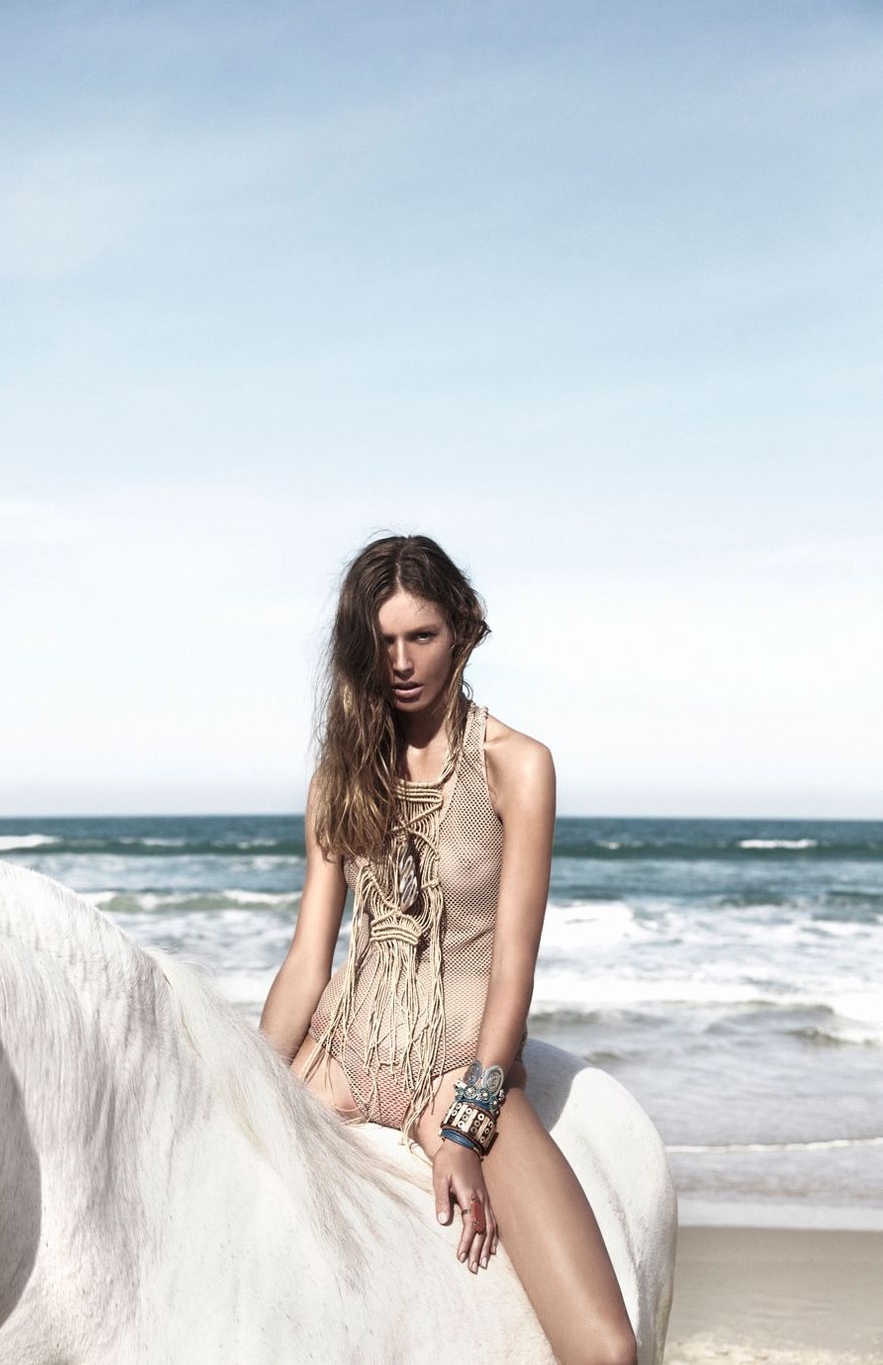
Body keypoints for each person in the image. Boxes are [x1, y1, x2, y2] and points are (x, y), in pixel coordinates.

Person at [259, 534, 636, 1365]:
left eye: (421, 636)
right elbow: (308, 957)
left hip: (456, 1074)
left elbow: (513, 969)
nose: (400, 661)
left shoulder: (518, 766)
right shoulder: (339, 773)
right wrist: (252, 1081)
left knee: (606, 1350)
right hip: (338, 1060)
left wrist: (467, 1126)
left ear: (463, 628)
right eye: (383, 641)